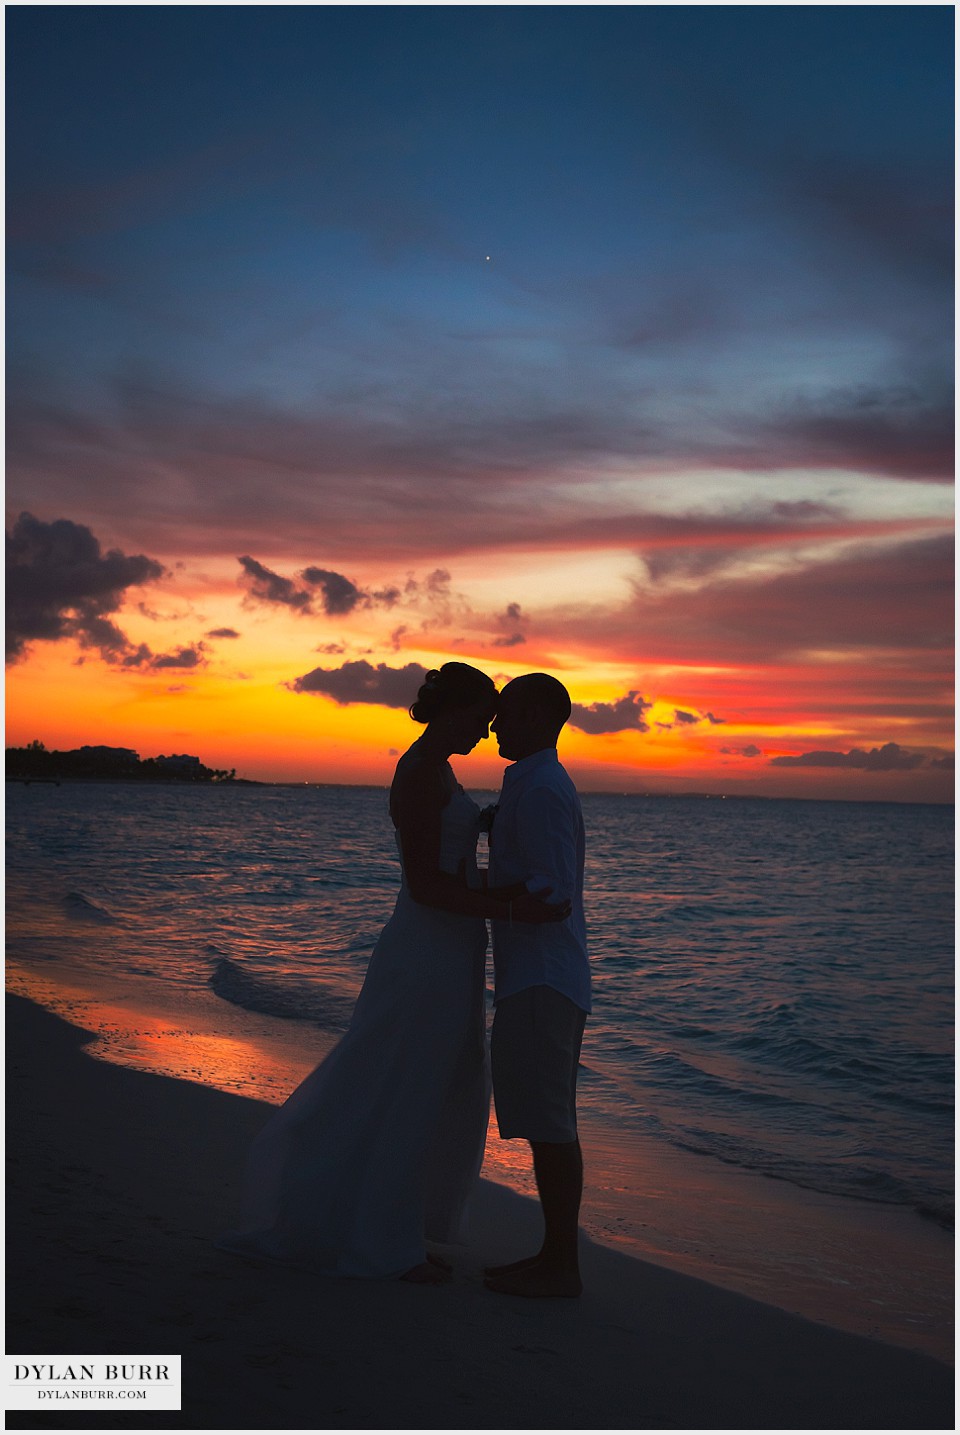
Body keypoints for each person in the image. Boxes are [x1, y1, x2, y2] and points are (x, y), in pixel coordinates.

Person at [218, 662, 568, 1285]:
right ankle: (384, 1242)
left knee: (439, 1084)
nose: (489, 733)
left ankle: (397, 1225)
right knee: (408, 1082)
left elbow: (452, 854)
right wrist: (511, 907)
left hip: (456, 951)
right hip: (426, 950)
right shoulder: (416, 772)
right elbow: (427, 886)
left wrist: (491, 840)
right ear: (455, 712)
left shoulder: (442, 769)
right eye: (484, 719)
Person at [483, 673, 590, 1298]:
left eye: (508, 715)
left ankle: (561, 1264)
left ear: (541, 719)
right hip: (534, 974)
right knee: (546, 1120)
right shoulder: (528, 780)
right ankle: (553, 1257)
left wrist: (470, 894)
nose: (496, 725)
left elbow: (552, 891)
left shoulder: (544, 786)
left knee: (552, 1124)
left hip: (544, 976)